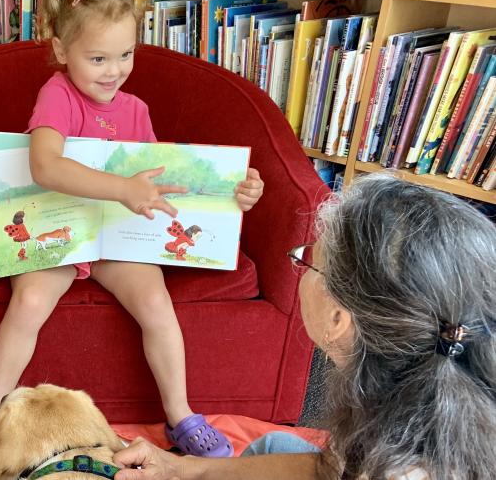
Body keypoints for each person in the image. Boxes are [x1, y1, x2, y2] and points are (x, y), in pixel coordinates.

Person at [0, 0, 266, 478]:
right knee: (29, 305)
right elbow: (44, 166)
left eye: (126, 55)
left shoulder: (135, 109)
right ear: (61, 51)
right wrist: (121, 188)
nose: (114, 70)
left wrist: (235, 191)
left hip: (116, 239)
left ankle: (180, 413)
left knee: (157, 305)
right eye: (98, 57)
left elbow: (165, 179)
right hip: (58, 232)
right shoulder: (56, 95)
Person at [111, 174, 496, 480]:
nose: (301, 265)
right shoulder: (421, 378)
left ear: (338, 319)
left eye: (311, 259)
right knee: (276, 444)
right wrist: (184, 469)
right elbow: (331, 466)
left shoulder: (395, 467)